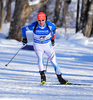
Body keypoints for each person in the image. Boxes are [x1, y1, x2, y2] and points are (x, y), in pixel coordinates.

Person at [21, 12, 68, 84]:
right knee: (40, 59)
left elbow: (54, 30)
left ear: (45, 19)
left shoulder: (50, 25)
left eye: (43, 20)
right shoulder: (34, 26)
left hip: (47, 45)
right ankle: (43, 77)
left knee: (54, 62)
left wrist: (52, 39)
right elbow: (23, 29)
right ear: (37, 20)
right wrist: (24, 38)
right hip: (38, 45)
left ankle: (60, 78)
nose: (41, 22)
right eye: (39, 20)